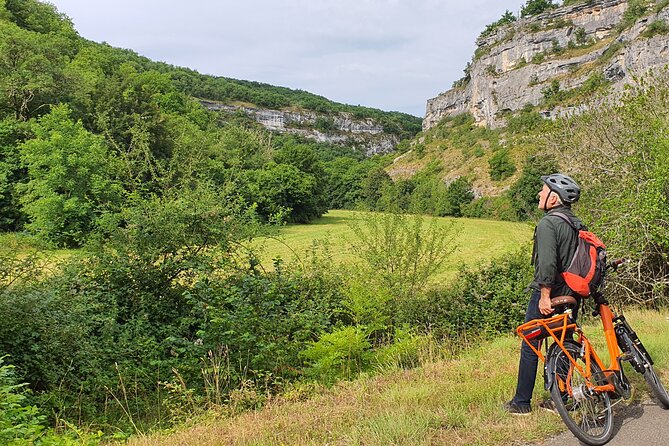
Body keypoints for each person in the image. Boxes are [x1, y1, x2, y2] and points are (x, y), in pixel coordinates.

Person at [505, 173, 584, 415]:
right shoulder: (575, 222)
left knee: (531, 342)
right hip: (572, 293)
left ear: (553, 198)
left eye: (543, 190)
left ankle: (521, 403)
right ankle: (562, 397)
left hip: (552, 292)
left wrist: (544, 295)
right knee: (566, 343)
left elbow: (548, 264)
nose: (539, 194)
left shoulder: (548, 223)